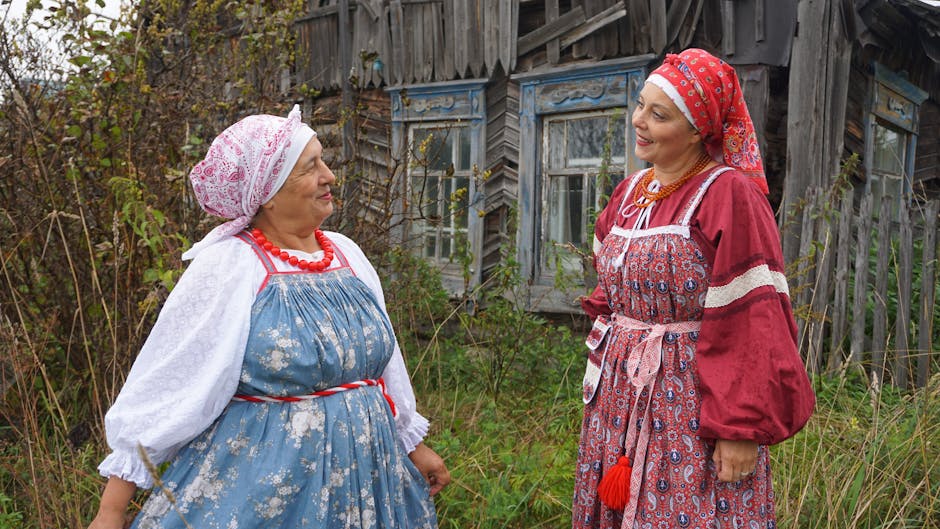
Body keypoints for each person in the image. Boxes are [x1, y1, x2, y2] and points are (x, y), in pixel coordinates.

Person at [88, 105, 450, 528]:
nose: (329, 176)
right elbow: (168, 385)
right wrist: (111, 511)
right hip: (270, 489)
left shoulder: (347, 254)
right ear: (269, 191)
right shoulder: (229, 266)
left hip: (368, 477)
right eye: (311, 166)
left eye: (323, 161)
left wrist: (411, 443)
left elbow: (385, 365)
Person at [572, 48, 815, 529]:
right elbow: (607, 291)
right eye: (641, 105)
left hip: (690, 408)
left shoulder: (728, 194)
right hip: (618, 399)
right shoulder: (629, 192)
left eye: (658, 115)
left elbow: (755, 322)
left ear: (699, 129)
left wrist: (741, 427)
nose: (639, 121)